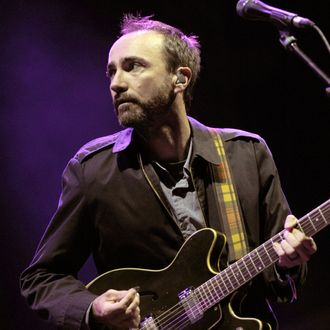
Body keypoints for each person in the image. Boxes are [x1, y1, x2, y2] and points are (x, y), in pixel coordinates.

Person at [20, 14, 317, 330]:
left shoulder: (246, 154)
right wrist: (92, 307)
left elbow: (279, 284)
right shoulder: (92, 171)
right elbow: (41, 278)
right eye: (111, 72)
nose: (116, 83)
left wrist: (288, 263)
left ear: (181, 78)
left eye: (133, 66)